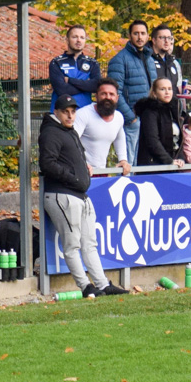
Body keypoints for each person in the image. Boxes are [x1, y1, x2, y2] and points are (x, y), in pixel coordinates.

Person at [39, 94, 122, 298]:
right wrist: (73, 177)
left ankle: (103, 284)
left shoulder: (68, 131)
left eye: (73, 112)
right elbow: (47, 164)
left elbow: (71, 159)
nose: (70, 116)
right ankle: (86, 287)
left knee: (89, 243)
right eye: (65, 112)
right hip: (62, 195)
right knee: (72, 245)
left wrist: (83, 168)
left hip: (79, 194)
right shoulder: (51, 132)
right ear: (56, 112)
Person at [107, 21, 156, 163]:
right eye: (136, 33)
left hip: (148, 119)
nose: (140, 37)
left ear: (148, 36)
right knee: (128, 163)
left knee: (143, 162)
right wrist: (131, 118)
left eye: (143, 33)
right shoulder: (119, 60)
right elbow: (114, 93)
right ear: (129, 35)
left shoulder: (149, 59)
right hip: (131, 121)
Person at [73, 79, 133, 175]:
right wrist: (82, 164)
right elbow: (71, 141)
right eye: (103, 94)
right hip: (80, 172)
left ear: (117, 98)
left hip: (102, 172)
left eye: (111, 94)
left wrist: (123, 160)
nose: (107, 97)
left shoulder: (119, 117)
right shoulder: (83, 114)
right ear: (96, 96)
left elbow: (119, 139)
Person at [134, 77, 185, 167]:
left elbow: (181, 138)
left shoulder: (174, 110)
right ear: (154, 93)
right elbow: (152, 140)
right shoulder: (149, 112)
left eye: (169, 89)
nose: (167, 92)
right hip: (153, 165)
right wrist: (168, 160)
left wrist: (180, 158)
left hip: (173, 163)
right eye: (162, 89)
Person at [48, 25, 103, 111]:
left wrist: (70, 80)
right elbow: (62, 90)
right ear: (67, 40)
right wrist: (86, 85)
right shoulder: (56, 62)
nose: (79, 40)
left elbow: (96, 86)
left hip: (85, 113)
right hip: (62, 113)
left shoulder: (92, 63)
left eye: (82, 37)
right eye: (74, 37)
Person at [150, 24, 183, 96]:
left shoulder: (172, 62)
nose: (166, 41)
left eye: (169, 38)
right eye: (162, 38)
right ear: (154, 40)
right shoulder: (147, 60)